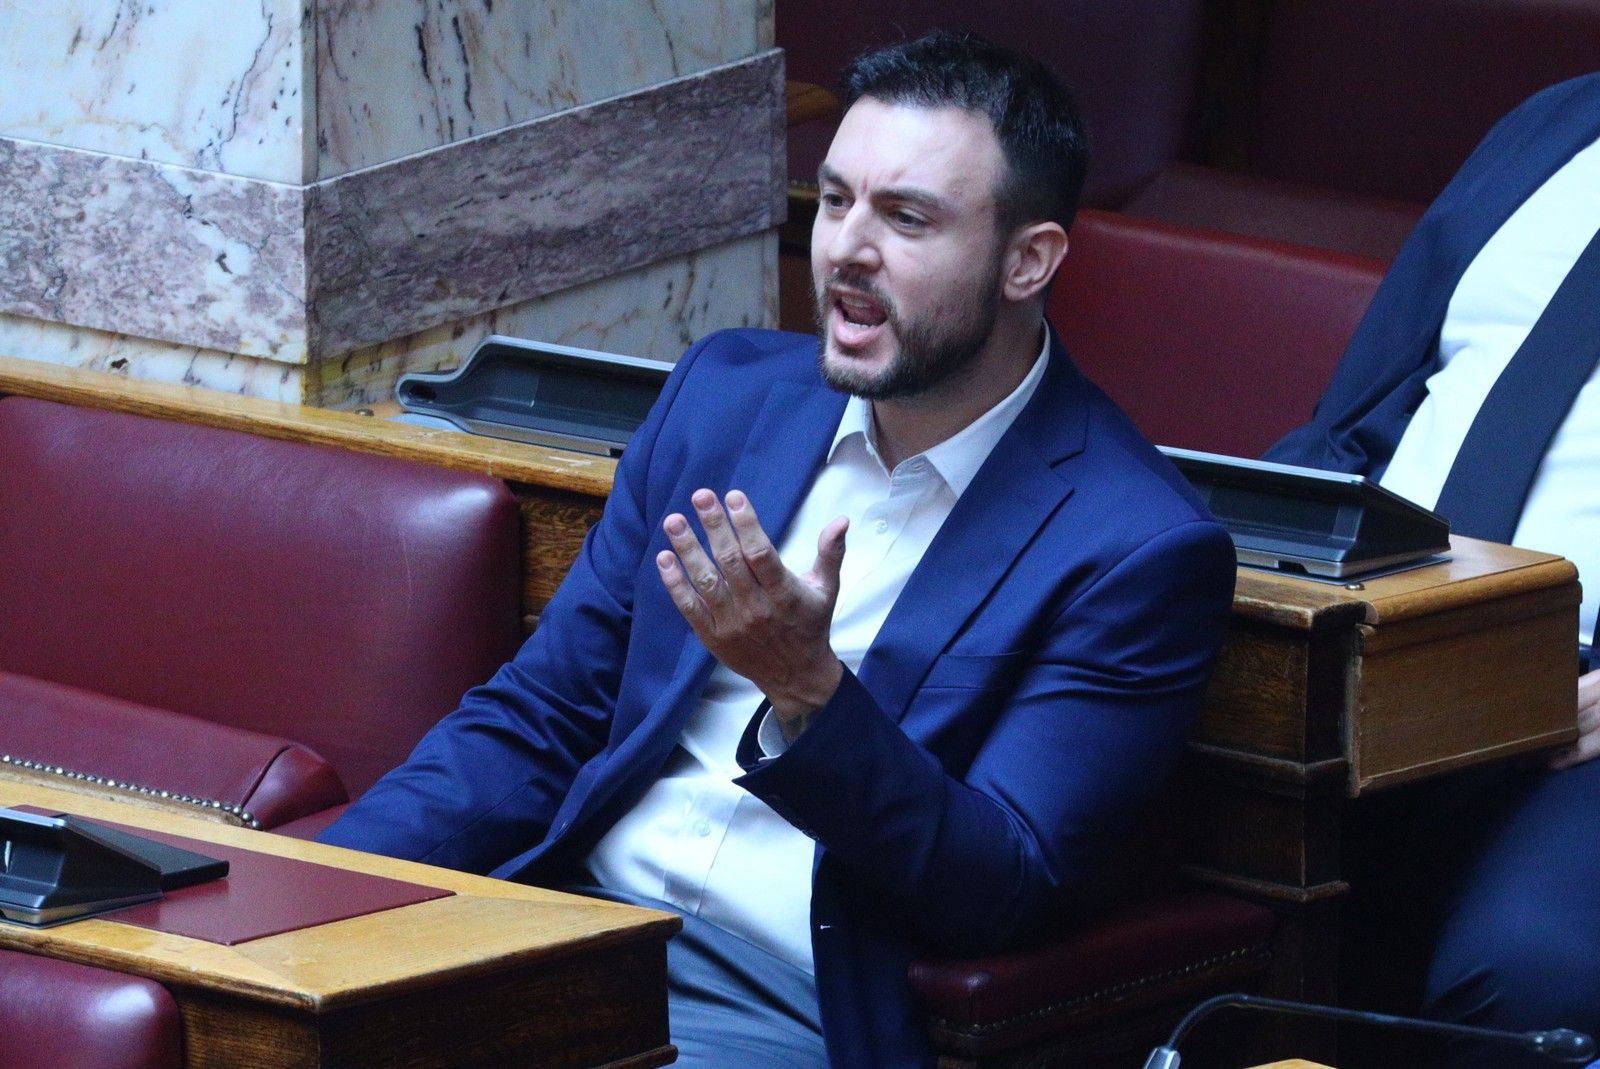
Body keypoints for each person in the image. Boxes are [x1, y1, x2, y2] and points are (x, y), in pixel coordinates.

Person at [321, 32, 1237, 1069]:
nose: (846, 248)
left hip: (786, 1003)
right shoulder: (726, 396)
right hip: (563, 933)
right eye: (836, 199)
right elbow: (544, 714)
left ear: (1028, 261)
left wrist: (811, 696)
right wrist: (318, 894)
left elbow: (1002, 885)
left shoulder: (1133, 546)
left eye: (906, 218)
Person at [1266, 71, 1600, 1068]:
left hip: (1579, 702)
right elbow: (1355, 413)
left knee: (1526, 976)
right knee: (1108, 859)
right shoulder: (1553, 124)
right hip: (1370, 631)